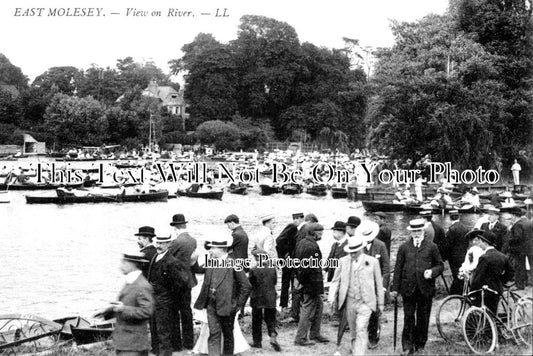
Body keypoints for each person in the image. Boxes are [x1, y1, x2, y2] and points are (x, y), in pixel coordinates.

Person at [391, 219, 444, 355]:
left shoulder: (432, 246)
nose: (416, 233)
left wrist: (432, 272)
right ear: (410, 232)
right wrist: (395, 288)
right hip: (408, 289)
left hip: (425, 289)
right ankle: (408, 345)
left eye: (418, 231)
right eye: (413, 231)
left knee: (423, 318)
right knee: (408, 317)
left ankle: (420, 344)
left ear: (423, 231)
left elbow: (440, 265)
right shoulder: (404, 247)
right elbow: (398, 268)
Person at [193, 234, 252, 356]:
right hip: (211, 305)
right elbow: (201, 273)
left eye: (213, 248)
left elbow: (246, 286)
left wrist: (237, 306)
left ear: (222, 249)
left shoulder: (233, 263)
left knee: (228, 336)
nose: (211, 250)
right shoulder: (211, 262)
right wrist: (193, 261)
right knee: (213, 334)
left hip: (227, 307)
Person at [328, 230, 384, 355]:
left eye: (355, 252)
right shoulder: (343, 261)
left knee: (361, 328)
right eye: (350, 252)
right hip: (350, 302)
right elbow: (335, 281)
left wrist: (380, 304)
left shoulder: (372, 262)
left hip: (366, 302)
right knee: (353, 331)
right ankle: (356, 350)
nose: (352, 254)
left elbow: (379, 285)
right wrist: (331, 298)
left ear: (361, 249)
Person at [95, 252, 154, 356]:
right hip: (126, 341)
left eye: (124, 263)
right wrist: (110, 311)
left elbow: (147, 311)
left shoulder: (142, 285)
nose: (121, 266)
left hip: (133, 344)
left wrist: (123, 309)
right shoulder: (131, 282)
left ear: (133, 265)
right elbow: (130, 304)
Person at [147, 235, 187, 356]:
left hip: (164, 303)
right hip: (153, 301)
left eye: (162, 243)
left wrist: (167, 294)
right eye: (158, 242)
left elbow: (181, 283)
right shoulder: (155, 256)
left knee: (164, 334)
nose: (159, 245)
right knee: (154, 332)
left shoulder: (172, 262)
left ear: (169, 244)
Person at [294, 223, 329, 346]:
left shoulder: (301, 243)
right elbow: (307, 268)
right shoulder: (311, 247)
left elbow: (296, 263)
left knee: (319, 306)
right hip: (311, 284)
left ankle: (315, 333)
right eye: (320, 232)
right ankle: (301, 338)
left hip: (309, 282)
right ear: (313, 232)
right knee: (307, 309)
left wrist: (298, 279)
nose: (321, 235)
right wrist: (302, 282)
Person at [358, 220, 390, 349]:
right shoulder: (359, 246)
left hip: (376, 286)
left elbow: (386, 268)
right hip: (362, 285)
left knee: (374, 312)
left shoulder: (381, 246)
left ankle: (373, 336)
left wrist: (383, 286)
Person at [168, 214, 197, 351]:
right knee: (186, 311)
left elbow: (168, 259)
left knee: (174, 312)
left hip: (176, 282)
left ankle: (176, 344)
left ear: (176, 227)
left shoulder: (176, 242)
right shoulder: (193, 240)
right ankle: (189, 342)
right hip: (188, 280)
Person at [470, 229, 515, 315]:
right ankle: (494, 326)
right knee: (493, 312)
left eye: (480, 242)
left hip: (486, 291)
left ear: (485, 243)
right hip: (497, 289)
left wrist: (472, 292)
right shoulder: (502, 256)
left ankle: (487, 327)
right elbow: (511, 272)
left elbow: (478, 277)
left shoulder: (484, 257)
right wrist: (501, 280)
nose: (479, 244)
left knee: (482, 312)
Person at [249, 249, 281, 352]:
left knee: (256, 320)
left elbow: (250, 284)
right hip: (270, 297)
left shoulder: (253, 269)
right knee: (270, 319)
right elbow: (275, 281)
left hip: (257, 298)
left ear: (257, 258)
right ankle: (272, 335)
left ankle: (257, 342)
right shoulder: (272, 268)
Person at [276, 212, 304, 310]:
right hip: (289, 260)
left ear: (301, 219)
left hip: (290, 260)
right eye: (294, 218)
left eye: (297, 218)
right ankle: (284, 305)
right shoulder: (292, 227)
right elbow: (279, 240)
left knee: (288, 282)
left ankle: (287, 305)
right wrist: (287, 252)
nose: (295, 220)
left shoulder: (298, 229)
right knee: (288, 282)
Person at [441, 210, 470, 295]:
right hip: (463, 254)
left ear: (450, 217)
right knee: (461, 272)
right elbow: (467, 242)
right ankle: (461, 290)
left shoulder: (451, 230)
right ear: (459, 217)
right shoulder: (465, 228)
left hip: (453, 256)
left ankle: (455, 292)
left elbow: (448, 245)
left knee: (456, 274)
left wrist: (444, 256)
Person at [509, 209, 532, 289]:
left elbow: (517, 237)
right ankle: (529, 282)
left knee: (519, 267)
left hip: (519, 249)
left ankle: (520, 285)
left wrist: (510, 240)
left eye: (511, 216)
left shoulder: (517, 225)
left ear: (514, 216)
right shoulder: (527, 222)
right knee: (529, 265)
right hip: (528, 248)